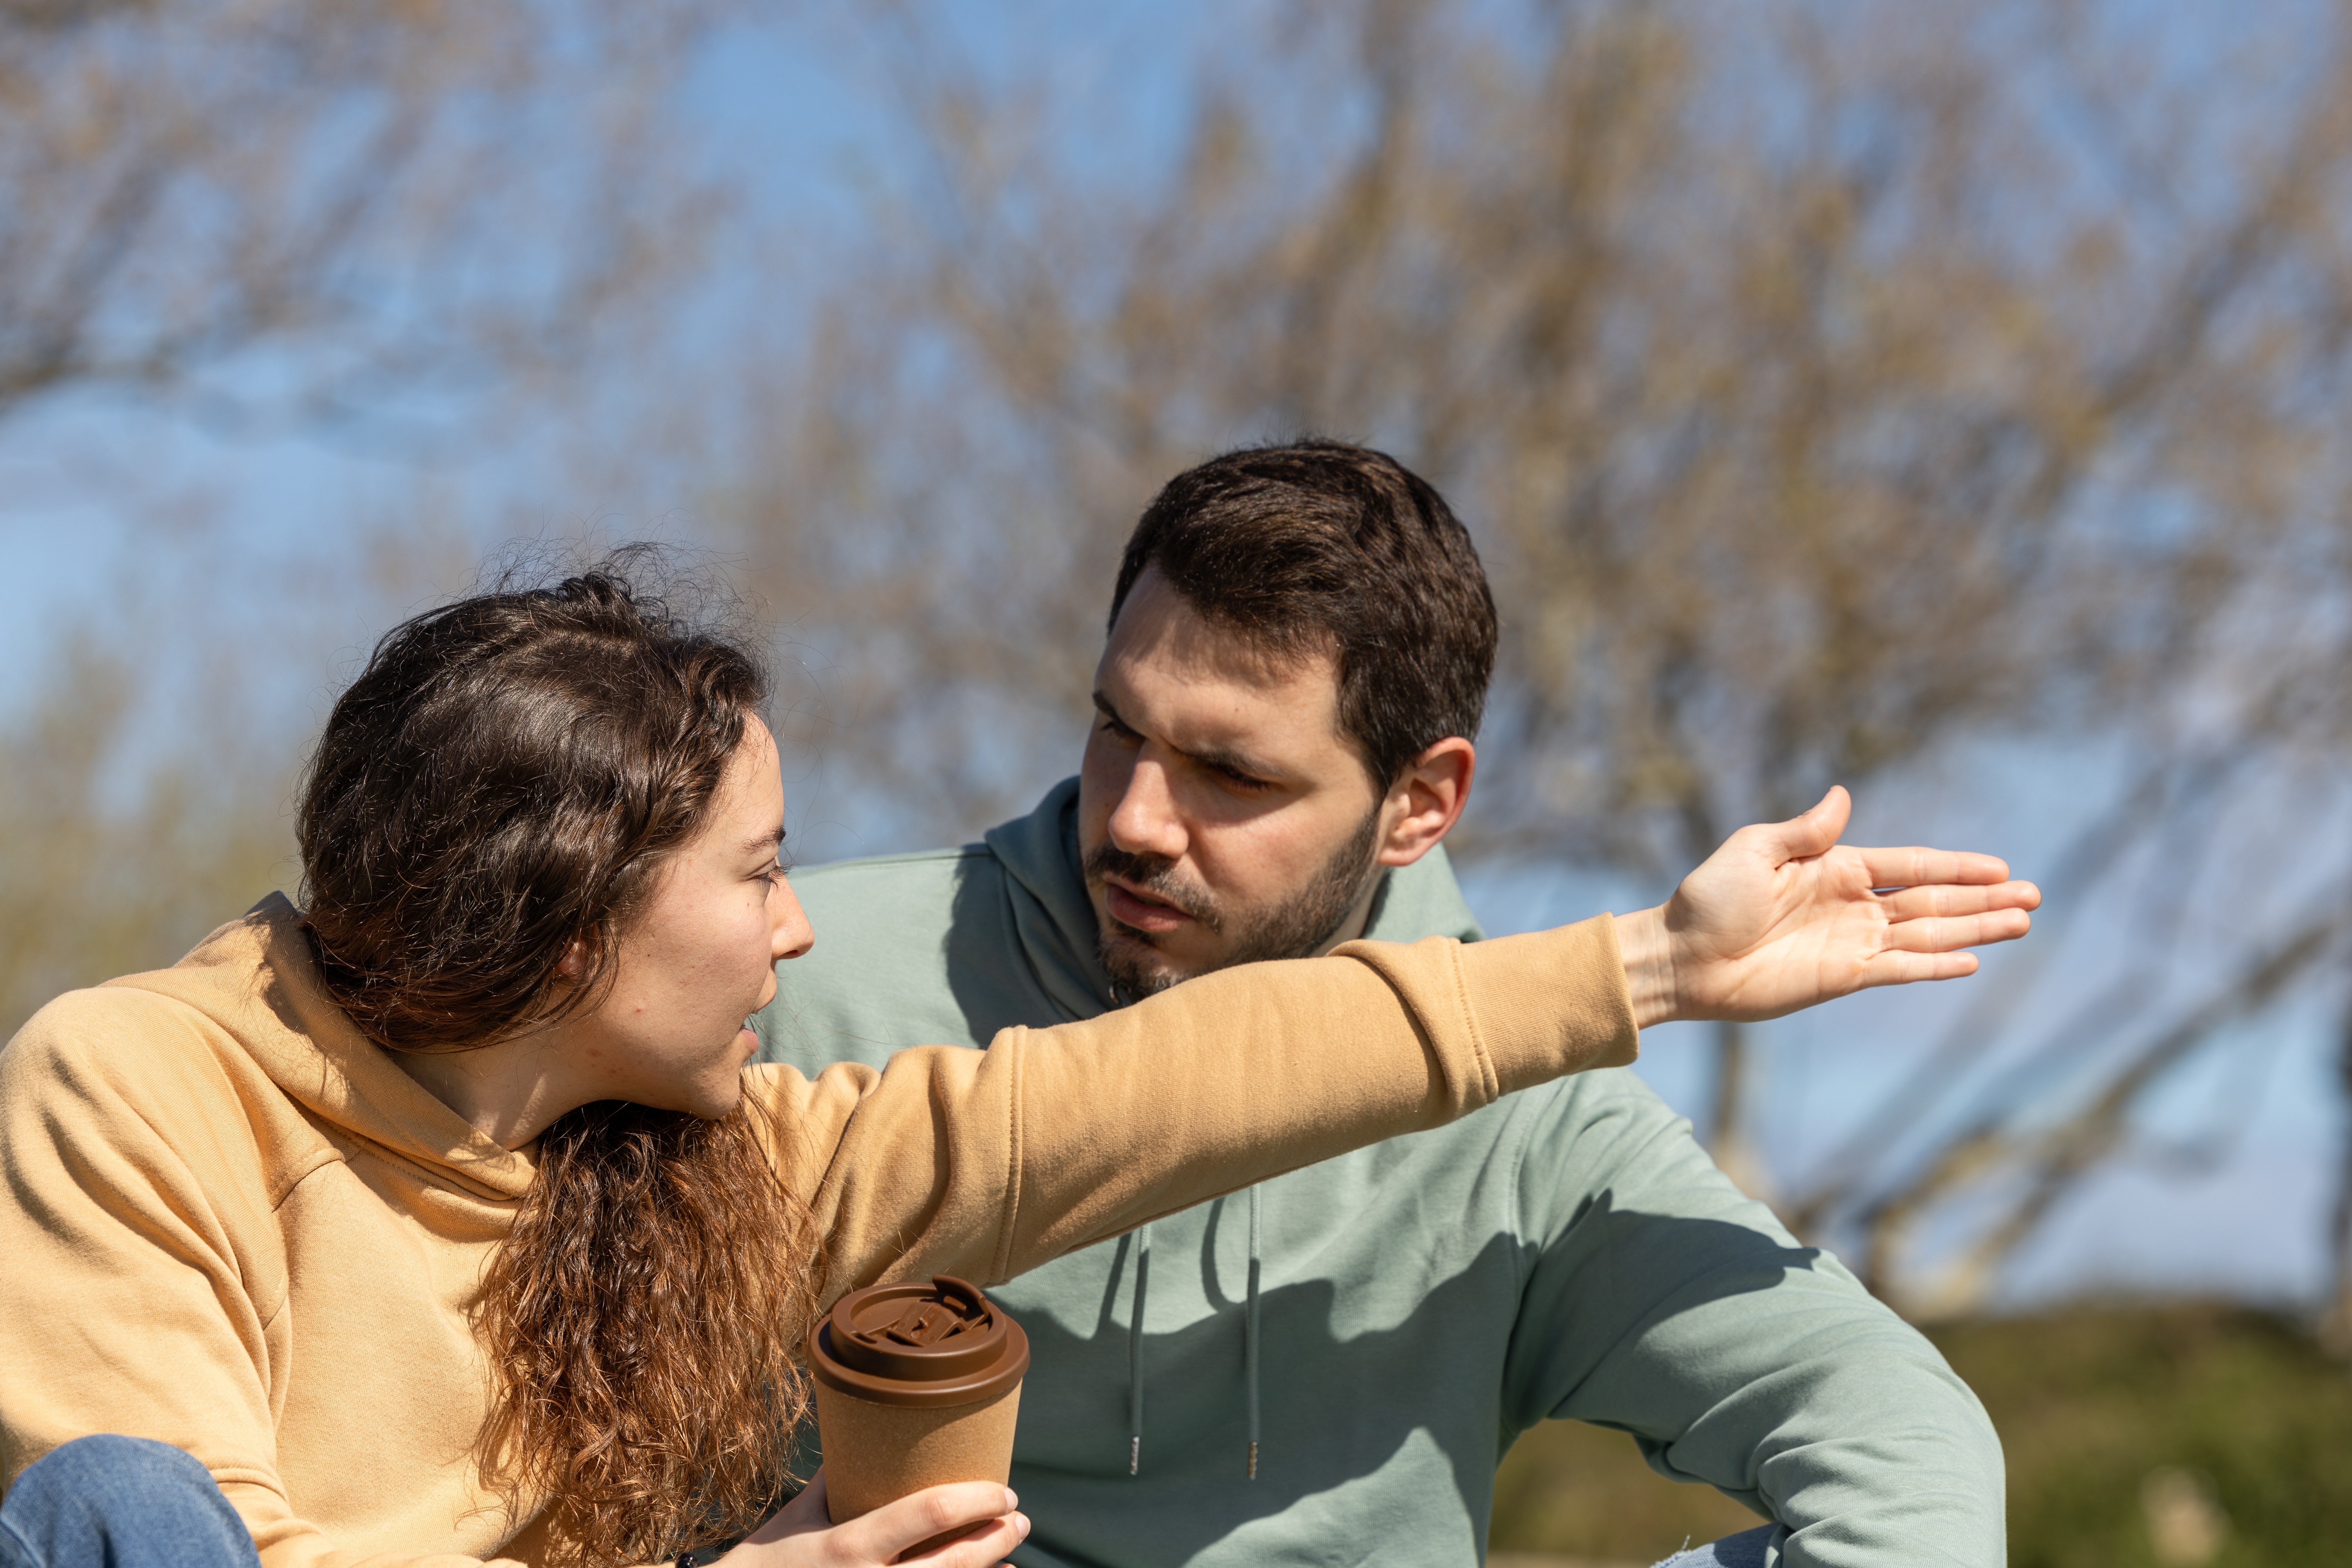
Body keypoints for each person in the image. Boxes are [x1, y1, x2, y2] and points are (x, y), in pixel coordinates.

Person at [0, 559, 2031, 1568]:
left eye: (1232, 772)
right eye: (760, 874)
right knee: (118, 1514)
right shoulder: (142, 1084)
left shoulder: (699, 1154)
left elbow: (1128, 1098)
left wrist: (1652, 965)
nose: (797, 931)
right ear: (575, 923)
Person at [755, 442, 2036, 1568]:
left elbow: (1899, 1443)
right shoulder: (794, 977)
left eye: (1230, 774)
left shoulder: (1529, 1127)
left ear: (1420, 803)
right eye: (1116, 728)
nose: (1136, 820)